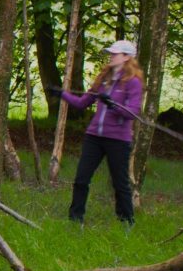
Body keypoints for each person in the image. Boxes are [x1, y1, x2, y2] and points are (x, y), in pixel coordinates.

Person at [49, 39, 144, 226]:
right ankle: (75, 219)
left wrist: (113, 105)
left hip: (117, 140)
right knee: (81, 179)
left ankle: (126, 221)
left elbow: (133, 112)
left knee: (120, 183)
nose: (111, 57)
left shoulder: (133, 82)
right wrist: (61, 94)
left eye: (115, 54)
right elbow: (82, 103)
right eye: (111, 53)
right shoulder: (104, 79)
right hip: (94, 137)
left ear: (126, 57)